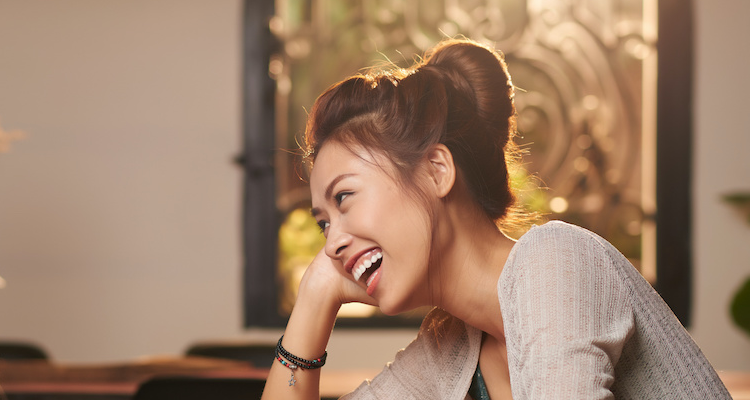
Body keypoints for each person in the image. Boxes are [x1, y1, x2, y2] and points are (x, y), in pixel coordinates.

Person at [261, 39, 731, 399]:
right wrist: (316, 297)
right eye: (323, 223)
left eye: (344, 198)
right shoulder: (452, 346)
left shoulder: (555, 264)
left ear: (436, 170)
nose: (332, 243)